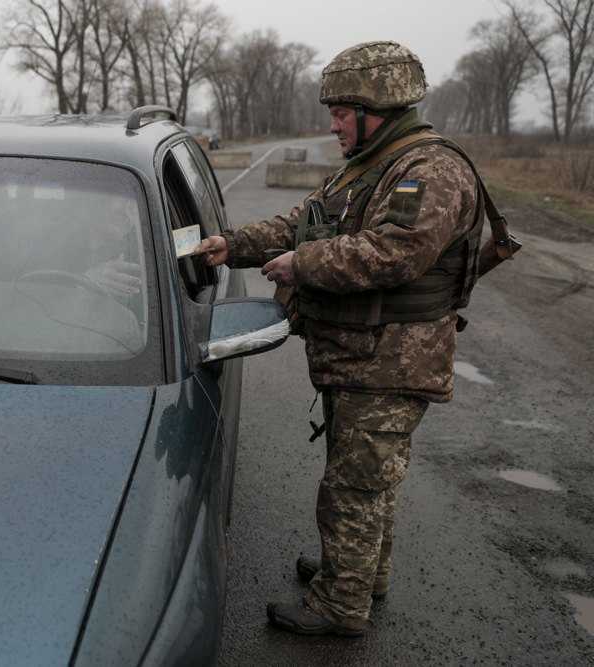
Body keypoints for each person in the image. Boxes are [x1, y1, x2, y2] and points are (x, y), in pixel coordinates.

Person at [196, 41, 489, 637]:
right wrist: (235, 243)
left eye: (340, 111)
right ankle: (358, 574)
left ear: (375, 108)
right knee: (368, 477)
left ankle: (339, 606)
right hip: (362, 355)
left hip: (391, 359)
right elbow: (303, 220)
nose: (332, 124)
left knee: (353, 487)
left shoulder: (431, 171)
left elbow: (392, 254)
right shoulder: (369, 163)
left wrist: (299, 265)